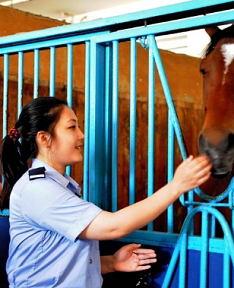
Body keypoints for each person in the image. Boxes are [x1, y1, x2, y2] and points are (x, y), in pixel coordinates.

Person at [0, 97, 212, 287]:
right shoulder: (39, 189)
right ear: (44, 139)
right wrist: (176, 186)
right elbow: (114, 227)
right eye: (72, 127)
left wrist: (111, 263)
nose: (81, 135)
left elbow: (55, 260)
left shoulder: (56, 186)